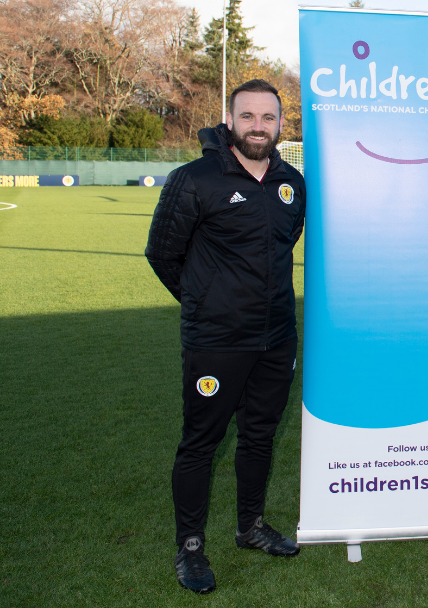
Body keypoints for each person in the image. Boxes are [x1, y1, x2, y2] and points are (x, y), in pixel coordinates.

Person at [145, 79, 305, 594]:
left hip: (276, 339)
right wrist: (203, 303)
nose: (258, 126)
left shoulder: (292, 184)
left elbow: (281, 247)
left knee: (260, 436)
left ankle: (250, 527)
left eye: (268, 117)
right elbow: (163, 254)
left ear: (282, 124)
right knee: (201, 444)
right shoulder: (195, 179)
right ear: (230, 119)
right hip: (216, 341)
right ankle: (190, 548)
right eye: (248, 116)